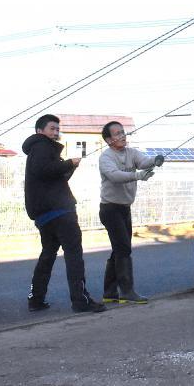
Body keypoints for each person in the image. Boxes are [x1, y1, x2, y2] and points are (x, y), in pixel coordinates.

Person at [23, 114, 105, 314]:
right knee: (74, 255)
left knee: (48, 255)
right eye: (52, 128)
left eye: (57, 129)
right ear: (40, 131)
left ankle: (36, 299)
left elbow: (53, 176)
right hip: (60, 211)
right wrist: (69, 163)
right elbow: (45, 170)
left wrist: (70, 167)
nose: (56, 132)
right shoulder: (42, 146)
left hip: (44, 214)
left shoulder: (38, 149)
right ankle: (80, 301)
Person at [98, 120, 163, 304]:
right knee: (123, 248)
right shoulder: (106, 157)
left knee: (119, 249)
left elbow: (143, 161)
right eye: (117, 133)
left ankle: (109, 293)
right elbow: (114, 176)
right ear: (108, 140)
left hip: (124, 208)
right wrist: (137, 175)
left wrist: (155, 160)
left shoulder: (131, 152)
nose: (122, 136)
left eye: (123, 132)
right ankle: (126, 291)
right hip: (110, 209)